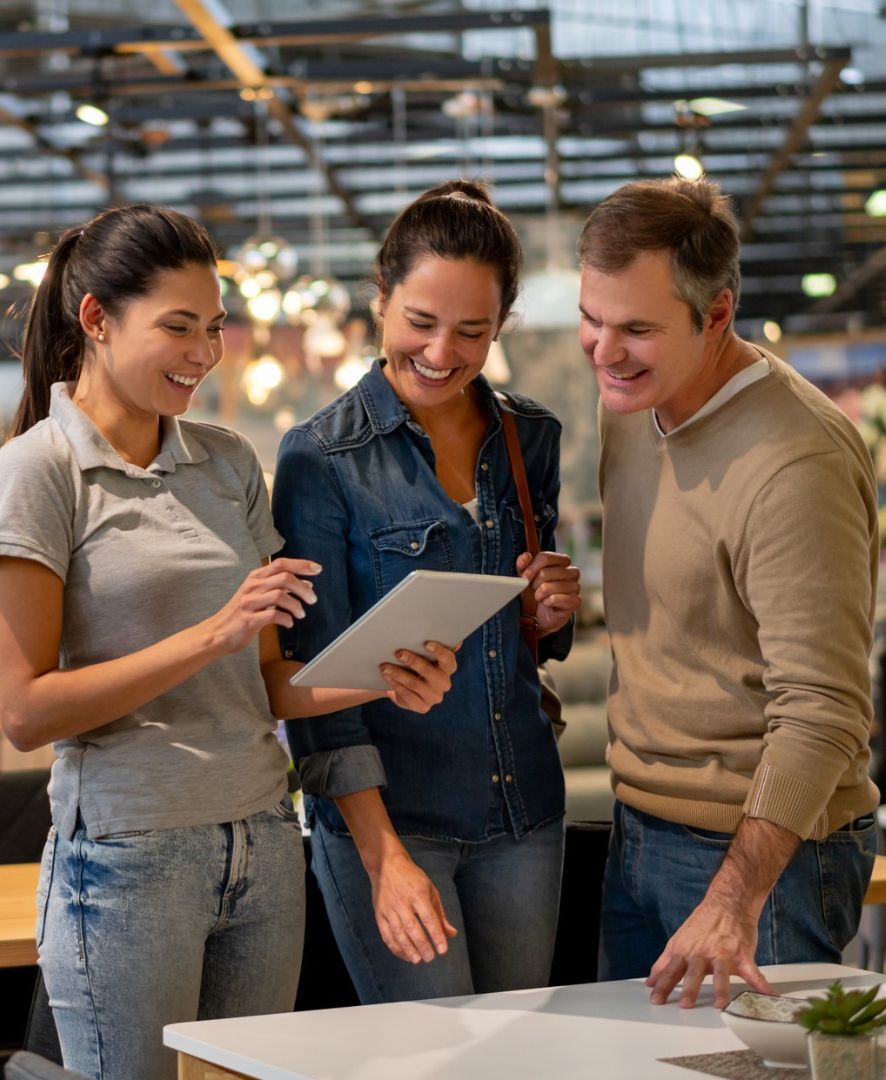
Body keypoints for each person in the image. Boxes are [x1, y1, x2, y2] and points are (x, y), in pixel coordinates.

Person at [0, 203, 458, 1080]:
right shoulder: (36, 472)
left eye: (215, 327)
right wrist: (211, 635)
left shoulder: (228, 460)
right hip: (127, 861)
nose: (205, 353)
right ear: (96, 320)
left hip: (266, 843)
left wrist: (384, 674)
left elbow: (267, 684)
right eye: (178, 327)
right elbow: (24, 711)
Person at [271, 180, 584, 1004]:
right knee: (434, 1062)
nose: (442, 352)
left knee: (521, 1059)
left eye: (472, 331)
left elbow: (526, 638)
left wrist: (546, 615)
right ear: (380, 301)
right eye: (420, 322)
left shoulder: (531, 438)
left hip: (526, 812)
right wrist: (381, 856)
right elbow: (316, 689)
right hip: (394, 821)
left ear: (500, 327)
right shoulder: (321, 461)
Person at [577, 176, 881, 1008]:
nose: (605, 351)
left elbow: (823, 709)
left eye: (637, 329)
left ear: (717, 315)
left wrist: (732, 898)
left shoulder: (796, 462)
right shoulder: (631, 406)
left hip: (762, 860)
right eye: (592, 320)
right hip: (637, 825)